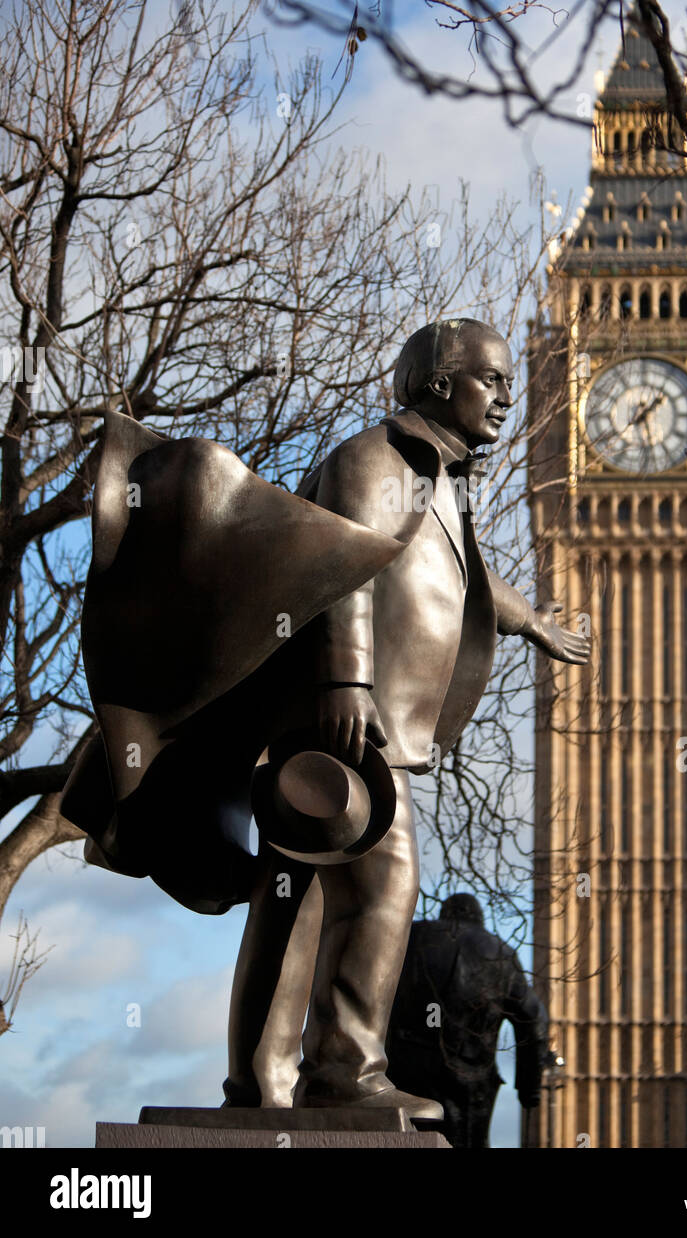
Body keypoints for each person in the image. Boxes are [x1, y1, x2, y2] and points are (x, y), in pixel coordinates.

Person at [63, 317, 589, 1121]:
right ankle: (344, 1073)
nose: (506, 398)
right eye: (492, 379)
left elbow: (466, 579)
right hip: (341, 718)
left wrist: (529, 622)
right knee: (385, 880)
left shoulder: (436, 478)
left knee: (296, 899)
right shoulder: (375, 459)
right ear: (440, 385)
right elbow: (340, 563)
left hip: (361, 720)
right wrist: (346, 682)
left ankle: (262, 1085)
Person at [386, 894, 548, 1147]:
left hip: (403, 1072)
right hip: (470, 1080)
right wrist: (530, 1089)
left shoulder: (409, 938)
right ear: (479, 918)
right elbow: (533, 1020)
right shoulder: (499, 953)